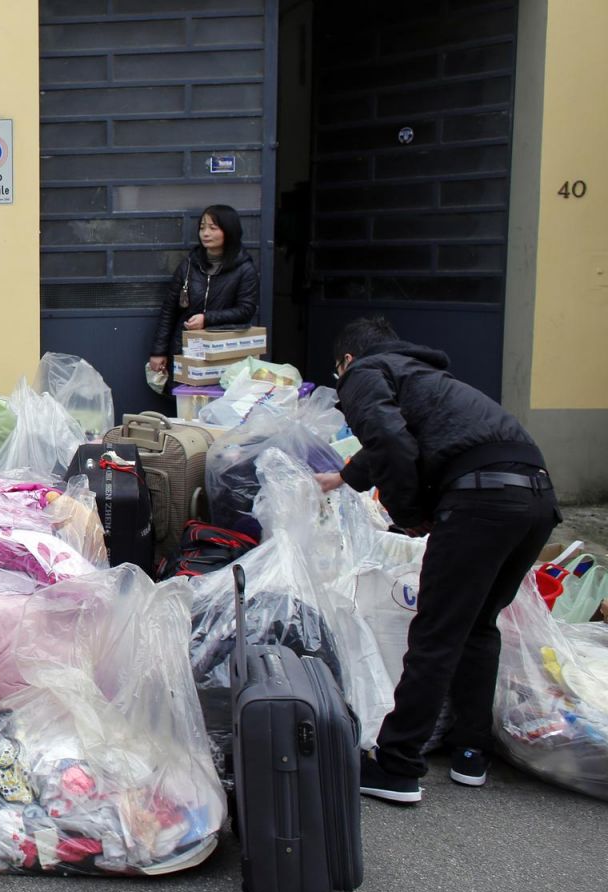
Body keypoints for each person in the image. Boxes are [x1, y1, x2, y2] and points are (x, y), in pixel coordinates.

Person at [316, 316, 558, 804]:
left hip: (480, 500)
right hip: (535, 497)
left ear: (345, 361)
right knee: (477, 625)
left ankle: (398, 766)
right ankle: (471, 752)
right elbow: (406, 436)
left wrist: (411, 514)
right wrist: (344, 479)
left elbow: (388, 438)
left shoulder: (364, 373)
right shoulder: (426, 377)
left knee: (436, 632)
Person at [147, 205, 258, 388]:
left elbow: (246, 310)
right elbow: (169, 310)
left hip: (224, 353)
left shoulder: (244, 269)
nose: (205, 233)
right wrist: (158, 351)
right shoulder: (190, 265)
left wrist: (207, 319)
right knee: (186, 405)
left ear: (229, 231)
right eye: (202, 227)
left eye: (213, 228)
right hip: (186, 349)